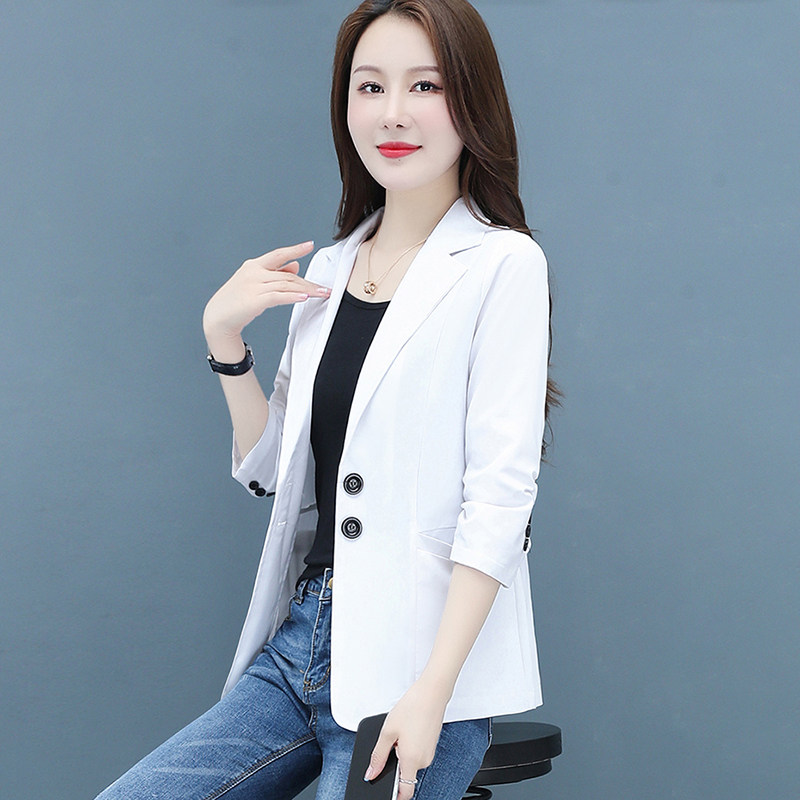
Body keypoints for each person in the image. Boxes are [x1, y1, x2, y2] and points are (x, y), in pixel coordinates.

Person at [95, 1, 557, 798]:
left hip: (418, 662)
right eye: (370, 87)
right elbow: (276, 471)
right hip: (303, 641)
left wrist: (434, 693)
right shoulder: (334, 269)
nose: (394, 113)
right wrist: (226, 343)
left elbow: (500, 500)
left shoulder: (501, 264)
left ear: (471, 102)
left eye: (425, 86)